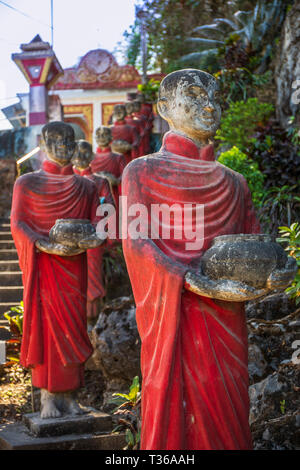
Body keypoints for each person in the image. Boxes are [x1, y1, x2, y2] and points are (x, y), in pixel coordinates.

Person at [121, 69, 261, 450]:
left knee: (228, 408)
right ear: (165, 108)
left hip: (226, 314)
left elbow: (255, 244)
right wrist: (190, 279)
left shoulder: (234, 182)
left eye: (216, 97)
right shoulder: (142, 171)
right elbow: (135, 244)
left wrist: (276, 271)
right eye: (196, 95)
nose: (209, 105)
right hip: (174, 312)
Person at [11, 122, 101, 418]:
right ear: (43, 142)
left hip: (74, 267)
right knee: (48, 331)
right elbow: (18, 224)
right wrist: (43, 245)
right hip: (44, 267)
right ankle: (48, 396)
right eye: (56, 140)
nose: (64, 146)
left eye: (69, 140)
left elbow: (98, 228)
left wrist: (90, 238)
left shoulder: (87, 187)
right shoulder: (27, 183)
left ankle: (70, 397)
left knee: (73, 330)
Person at [72, 140, 114, 318]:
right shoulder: (65, 182)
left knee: (93, 281)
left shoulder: (100, 182)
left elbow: (109, 210)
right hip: (68, 238)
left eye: (84, 152)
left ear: (92, 156)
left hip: (92, 237)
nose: (81, 156)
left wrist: (109, 239)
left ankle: (92, 320)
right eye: (77, 152)